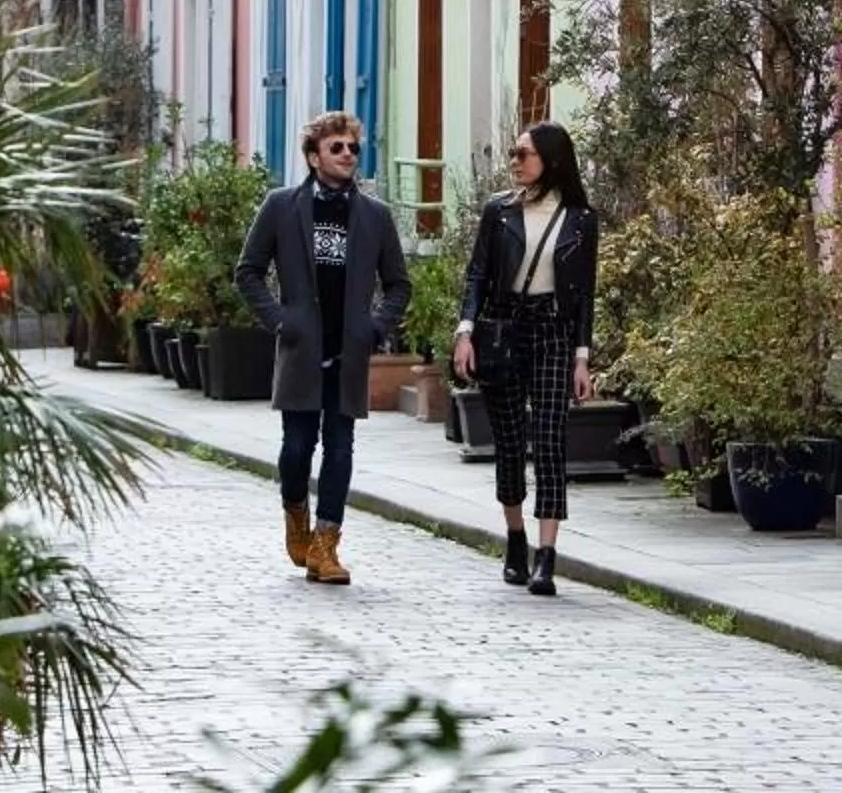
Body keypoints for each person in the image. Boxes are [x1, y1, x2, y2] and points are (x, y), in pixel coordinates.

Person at [234, 112, 410, 586]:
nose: (349, 154)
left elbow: (398, 284)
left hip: (349, 350)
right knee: (296, 448)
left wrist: (376, 327)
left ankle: (326, 546)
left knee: (339, 448)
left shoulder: (375, 216)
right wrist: (278, 319)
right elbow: (247, 271)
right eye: (338, 148)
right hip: (301, 348)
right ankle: (296, 513)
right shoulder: (281, 206)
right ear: (314, 157)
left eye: (353, 147)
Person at [453, 123, 600, 596]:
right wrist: (465, 331)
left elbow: (584, 296)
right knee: (511, 442)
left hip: (554, 331)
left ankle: (546, 557)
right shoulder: (499, 211)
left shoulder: (581, 218)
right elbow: (477, 275)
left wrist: (583, 358)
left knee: (552, 440)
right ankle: (515, 538)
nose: (515, 161)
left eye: (524, 154)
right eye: (514, 154)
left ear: (551, 160)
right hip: (502, 328)